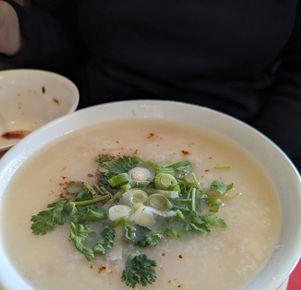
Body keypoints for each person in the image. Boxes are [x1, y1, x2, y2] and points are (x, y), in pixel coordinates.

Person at [0, 0, 300, 169]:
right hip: (89, 133)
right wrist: (11, 27)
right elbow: (65, 35)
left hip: (242, 140)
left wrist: (258, 159)